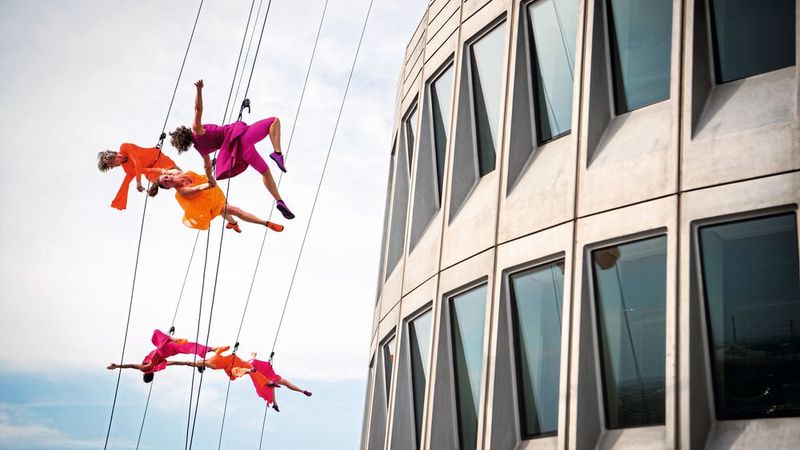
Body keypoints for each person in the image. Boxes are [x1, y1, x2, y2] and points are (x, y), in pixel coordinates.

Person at [169, 79, 294, 220]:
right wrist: (199, 90)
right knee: (274, 121)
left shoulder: (200, 148)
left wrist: (210, 180)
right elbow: (198, 109)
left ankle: (279, 201)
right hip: (240, 138)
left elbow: (207, 165)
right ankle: (277, 153)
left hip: (240, 152)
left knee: (265, 172)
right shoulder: (197, 130)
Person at [149, 168, 284, 233]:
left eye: (166, 177)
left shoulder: (175, 173)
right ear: (168, 188)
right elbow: (200, 188)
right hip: (207, 201)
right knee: (234, 210)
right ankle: (266, 223)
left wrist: (144, 170)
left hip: (212, 193)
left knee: (226, 209)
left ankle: (232, 224)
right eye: (166, 182)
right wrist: (210, 182)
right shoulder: (183, 191)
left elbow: (160, 169)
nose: (167, 179)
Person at [174, 350, 311, 410]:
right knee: (272, 384)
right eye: (199, 363)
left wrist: (253, 355)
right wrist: (177, 363)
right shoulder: (209, 363)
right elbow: (192, 363)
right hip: (248, 368)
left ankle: (301, 391)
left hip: (254, 368)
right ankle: (280, 400)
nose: (199, 361)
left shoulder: (212, 358)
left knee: (278, 384)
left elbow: (250, 357)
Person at [106, 329, 228, 383]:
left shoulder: (158, 368)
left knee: (190, 347)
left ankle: (213, 349)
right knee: (156, 333)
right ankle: (172, 339)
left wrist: (190, 364)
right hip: (163, 350)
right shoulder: (146, 368)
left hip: (170, 352)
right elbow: (132, 365)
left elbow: (174, 363)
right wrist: (117, 366)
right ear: (146, 374)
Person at [97, 143, 179, 210]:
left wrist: (138, 181)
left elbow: (137, 161)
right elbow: (145, 171)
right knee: (177, 185)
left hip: (159, 159)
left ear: (113, 157)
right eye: (111, 167)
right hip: (153, 173)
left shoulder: (124, 147)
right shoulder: (127, 169)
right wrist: (160, 171)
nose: (113, 167)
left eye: (111, 164)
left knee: (181, 176)